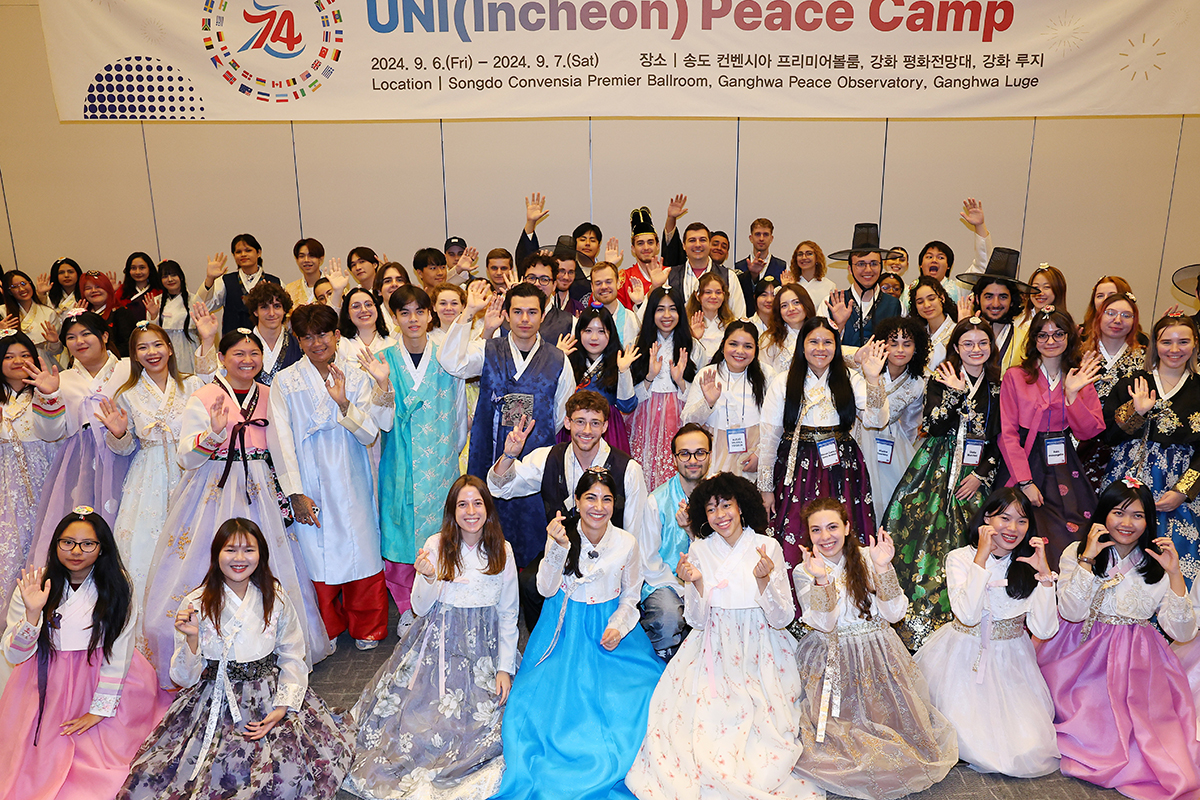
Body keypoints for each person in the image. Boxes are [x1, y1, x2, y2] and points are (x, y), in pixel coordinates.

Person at [142, 329, 329, 685]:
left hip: (259, 484)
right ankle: (203, 644)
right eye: (238, 354)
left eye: (254, 354)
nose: (247, 360)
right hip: (214, 482)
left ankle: (267, 644)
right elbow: (186, 456)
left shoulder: (270, 395)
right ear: (223, 358)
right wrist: (213, 433)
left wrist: (293, 492)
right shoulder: (204, 395)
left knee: (269, 556)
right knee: (205, 555)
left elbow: (283, 448)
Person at [119, 518, 353, 800]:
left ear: (261, 554)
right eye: (230, 550)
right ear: (216, 555)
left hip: (269, 693)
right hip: (214, 698)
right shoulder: (195, 602)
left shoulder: (274, 595)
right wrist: (192, 639)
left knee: (289, 778)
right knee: (176, 777)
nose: (239, 558)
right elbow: (183, 678)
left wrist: (282, 707)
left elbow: (292, 653)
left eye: (249, 550)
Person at [626, 473, 822, 800]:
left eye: (727, 505)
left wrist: (763, 581)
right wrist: (697, 584)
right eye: (712, 509)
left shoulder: (766, 546)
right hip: (713, 646)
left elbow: (782, 618)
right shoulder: (700, 549)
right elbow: (696, 620)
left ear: (741, 507)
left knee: (765, 718)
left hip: (761, 645)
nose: (721, 515)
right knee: (699, 719)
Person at [491, 470, 664, 800]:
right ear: (577, 501)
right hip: (565, 630)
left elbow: (630, 597)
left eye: (607, 499)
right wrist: (556, 547)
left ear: (616, 504)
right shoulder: (563, 536)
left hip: (609, 630)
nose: (598, 507)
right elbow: (545, 587)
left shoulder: (627, 543)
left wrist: (618, 625)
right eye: (591, 498)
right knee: (549, 709)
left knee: (641, 698)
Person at [343, 476, 517, 800]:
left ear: (488, 509)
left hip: (485, 651)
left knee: (493, 725)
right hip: (438, 645)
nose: (470, 511)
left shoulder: (502, 550)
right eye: (462, 504)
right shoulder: (437, 544)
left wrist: (505, 668)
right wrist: (426, 576)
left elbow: (509, 614)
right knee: (416, 725)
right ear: (452, 511)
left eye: (477, 503)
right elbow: (420, 608)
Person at [1038, 479, 1200, 800]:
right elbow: (1071, 611)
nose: (1127, 524)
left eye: (1138, 516)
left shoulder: (1158, 560)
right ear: (1103, 514)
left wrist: (1175, 575)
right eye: (1118, 513)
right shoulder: (1079, 550)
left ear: (1149, 520)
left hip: (1137, 659)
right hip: (1080, 651)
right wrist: (1087, 558)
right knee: (1090, 721)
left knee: (1144, 735)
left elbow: (1183, 633)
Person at [792, 498, 958, 800]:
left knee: (901, 733)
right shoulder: (806, 570)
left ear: (847, 527)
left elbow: (894, 614)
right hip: (833, 656)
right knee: (839, 736)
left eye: (832, 527)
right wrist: (820, 578)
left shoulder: (869, 557)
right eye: (816, 530)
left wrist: (882, 568)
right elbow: (825, 623)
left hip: (879, 653)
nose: (825, 536)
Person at [0, 509, 168, 799]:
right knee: (33, 769)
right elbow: (14, 656)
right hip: (46, 684)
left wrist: (99, 709)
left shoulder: (118, 586)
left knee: (108, 766)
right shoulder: (34, 585)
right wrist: (32, 614)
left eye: (88, 544)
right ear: (55, 545)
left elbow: (120, 648)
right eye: (67, 542)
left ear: (102, 548)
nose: (76, 551)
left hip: (103, 677)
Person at [914, 488, 1060, 778]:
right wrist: (980, 559)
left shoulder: (1029, 562)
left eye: (1021, 521)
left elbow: (1045, 629)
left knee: (1029, 751)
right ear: (986, 519)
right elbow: (967, 615)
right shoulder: (959, 557)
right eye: (1004, 518)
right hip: (962, 658)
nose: (1012, 528)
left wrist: (1044, 577)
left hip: (1012, 661)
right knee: (966, 742)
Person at [271, 304, 393, 651]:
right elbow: (280, 440)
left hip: (352, 473)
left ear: (337, 335)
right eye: (307, 336)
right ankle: (327, 628)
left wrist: (343, 405)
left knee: (361, 547)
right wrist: (294, 491)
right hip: (309, 477)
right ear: (297, 339)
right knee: (316, 552)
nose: (316, 343)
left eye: (323, 334)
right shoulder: (286, 381)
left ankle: (367, 625)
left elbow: (370, 433)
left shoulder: (356, 376)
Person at [882, 318, 1003, 649]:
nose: (975, 350)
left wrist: (980, 476)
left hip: (975, 472)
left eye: (982, 343)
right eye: (968, 344)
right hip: (937, 465)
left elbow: (1000, 437)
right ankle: (917, 618)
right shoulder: (941, 378)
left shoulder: (998, 385)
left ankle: (971, 614)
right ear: (956, 347)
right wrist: (954, 393)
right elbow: (933, 427)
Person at [488, 390, 654, 629]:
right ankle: (546, 639)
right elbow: (500, 488)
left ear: (605, 426)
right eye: (580, 421)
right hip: (562, 549)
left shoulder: (628, 469)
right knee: (528, 583)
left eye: (595, 423)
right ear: (567, 422)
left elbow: (634, 529)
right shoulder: (548, 457)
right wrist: (508, 455)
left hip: (607, 554)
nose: (587, 430)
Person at [441, 280, 574, 570]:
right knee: (486, 533)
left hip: (535, 462)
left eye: (532, 312)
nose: (524, 319)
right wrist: (468, 313)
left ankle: (531, 600)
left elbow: (561, 413)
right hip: (489, 457)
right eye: (517, 312)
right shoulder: (488, 350)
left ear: (542, 314)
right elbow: (451, 361)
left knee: (534, 535)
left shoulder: (558, 359)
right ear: (507, 315)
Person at [756, 318, 888, 591]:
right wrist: (766, 487)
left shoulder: (851, 378)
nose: (820, 348)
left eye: (828, 342)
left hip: (843, 466)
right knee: (796, 531)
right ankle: (798, 606)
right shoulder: (783, 382)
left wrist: (873, 379)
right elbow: (769, 438)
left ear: (837, 347)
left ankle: (851, 601)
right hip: (797, 466)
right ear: (801, 347)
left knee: (844, 530)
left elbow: (876, 419)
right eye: (813, 341)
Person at [101, 321, 215, 605]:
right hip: (147, 475)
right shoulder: (126, 394)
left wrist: (209, 339)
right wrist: (119, 433)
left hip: (191, 468)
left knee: (196, 539)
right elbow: (125, 449)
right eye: (142, 347)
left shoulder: (191, 384)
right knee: (146, 545)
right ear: (134, 355)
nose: (151, 352)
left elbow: (215, 393)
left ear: (170, 348)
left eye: (157, 344)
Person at [375, 286, 469, 620]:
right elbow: (381, 422)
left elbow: (459, 414)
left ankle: (442, 599)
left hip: (441, 461)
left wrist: (450, 453)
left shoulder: (446, 355)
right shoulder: (383, 359)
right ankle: (406, 610)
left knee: (443, 534)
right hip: (399, 460)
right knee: (400, 536)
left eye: (419, 311)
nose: (413, 319)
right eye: (404, 312)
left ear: (430, 315)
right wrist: (383, 386)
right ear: (395, 317)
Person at [23, 311, 133, 566]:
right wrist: (48, 396)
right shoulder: (62, 378)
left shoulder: (129, 368)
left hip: (126, 453)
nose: (79, 341)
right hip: (80, 461)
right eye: (71, 337)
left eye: (86, 334)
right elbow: (49, 433)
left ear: (104, 336)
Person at [998, 306, 1104, 569]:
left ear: (1069, 337)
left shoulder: (1079, 377)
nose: (1051, 341)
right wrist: (1024, 481)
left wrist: (1071, 395)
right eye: (1043, 335)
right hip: (1025, 457)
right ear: (1034, 340)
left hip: (1063, 462)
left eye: (1058, 334)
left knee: (1071, 530)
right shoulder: (1015, 376)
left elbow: (1089, 431)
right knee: (1018, 527)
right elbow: (1007, 433)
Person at [1104, 313, 1200, 583]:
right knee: (1119, 553)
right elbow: (1109, 436)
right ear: (1154, 344)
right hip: (1130, 480)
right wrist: (1137, 413)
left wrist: (1183, 490)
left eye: (1183, 342)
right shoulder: (1133, 382)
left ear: (1195, 344)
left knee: (1176, 554)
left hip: (1180, 485)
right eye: (1165, 341)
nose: (1174, 350)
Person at [638, 423, 710, 662]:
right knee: (669, 616)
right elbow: (649, 561)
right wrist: (681, 588)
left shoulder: (720, 500)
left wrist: (691, 531)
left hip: (712, 579)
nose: (693, 460)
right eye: (684, 453)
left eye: (700, 452)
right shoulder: (656, 501)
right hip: (666, 582)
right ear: (674, 458)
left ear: (710, 455)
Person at [0, 332, 58, 625]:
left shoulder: (46, 391)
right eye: (8, 356)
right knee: (8, 559)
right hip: (6, 493)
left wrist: (49, 395)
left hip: (47, 484)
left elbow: (56, 432)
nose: (17, 361)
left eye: (24, 354)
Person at [853, 316, 929, 525]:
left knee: (888, 497)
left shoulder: (917, 383)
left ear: (917, 348)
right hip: (858, 433)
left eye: (907, 344)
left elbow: (912, 424)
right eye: (893, 343)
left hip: (891, 441)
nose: (900, 350)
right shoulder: (866, 367)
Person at [682, 320, 772, 482]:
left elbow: (776, 422)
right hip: (716, 457)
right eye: (733, 344)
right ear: (723, 345)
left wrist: (760, 454)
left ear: (756, 350)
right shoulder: (707, 374)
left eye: (748, 346)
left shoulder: (767, 374)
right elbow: (687, 422)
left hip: (753, 457)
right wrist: (708, 403)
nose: (740, 351)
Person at [630, 285, 697, 491]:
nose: (667, 315)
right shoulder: (637, 346)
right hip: (644, 417)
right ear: (651, 313)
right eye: (660, 309)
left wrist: (680, 382)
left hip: (680, 417)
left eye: (673, 309)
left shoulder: (693, 346)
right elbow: (629, 399)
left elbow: (699, 399)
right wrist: (649, 377)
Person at [1078, 291, 1145, 491]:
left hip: (1123, 447)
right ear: (1099, 316)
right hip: (1080, 445)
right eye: (1111, 313)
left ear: (1134, 322)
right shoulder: (1078, 353)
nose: (1118, 320)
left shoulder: (1144, 360)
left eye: (1126, 315)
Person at [560, 306, 638, 453]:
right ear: (579, 333)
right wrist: (558, 360)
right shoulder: (568, 360)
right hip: (574, 428)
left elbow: (627, 406)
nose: (594, 338)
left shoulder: (620, 362)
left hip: (608, 430)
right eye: (588, 331)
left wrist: (624, 371)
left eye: (601, 331)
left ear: (611, 333)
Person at [903, 197, 992, 309]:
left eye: (940, 257)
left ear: (948, 266)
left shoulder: (959, 289)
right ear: (920, 264)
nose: (934, 260)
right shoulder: (907, 291)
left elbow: (982, 265)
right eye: (929, 256)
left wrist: (979, 226)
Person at [826, 223, 903, 348]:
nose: (868, 270)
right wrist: (839, 326)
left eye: (874, 263)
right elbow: (820, 347)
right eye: (861, 264)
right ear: (850, 269)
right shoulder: (831, 303)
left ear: (881, 267)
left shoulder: (895, 305)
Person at [956, 247, 1031, 372]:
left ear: (1012, 301)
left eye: (1003, 297)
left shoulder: (1025, 340)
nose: (995, 304)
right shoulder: (959, 333)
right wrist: (963, 331)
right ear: (978, 299)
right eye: (989, 296)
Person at [196, 234, 282, 334]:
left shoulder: (275, 282)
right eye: (238, 252)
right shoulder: (226, 281)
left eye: (248, 250)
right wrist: (210, 279)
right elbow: (202, 307)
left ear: (258, 253)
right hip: (233, 341)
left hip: (266, 340)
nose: (243, 254)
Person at [663, 221, 748, 319]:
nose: (698, 245)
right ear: (684, 246)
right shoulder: (669, 275)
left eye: (702, 240)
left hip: (721, 333)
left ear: (710, 244)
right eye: (692, 240)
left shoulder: (729, 277)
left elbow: (739, 317)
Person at [243, 281, 301, 386]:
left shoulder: (298, 346)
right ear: (255, 311)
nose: (271, 313)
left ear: (285, 310)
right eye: (264, 307)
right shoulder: (241, 345)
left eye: (277, 306)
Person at [2, 270, 58, 369]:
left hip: (43, 363)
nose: (21, 289)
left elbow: (57, 351)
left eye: (24, 283)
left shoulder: (48, 312)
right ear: (9, 292)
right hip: (14, 365)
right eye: (14, 287)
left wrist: (54, 342)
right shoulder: (2, 312)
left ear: (30, 284)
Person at [759, 282, 816, 375]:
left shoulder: (818, 334)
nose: (791, 309)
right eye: (784, 305)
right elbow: (764, 373)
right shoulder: (769, 339)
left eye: (796, 302)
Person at [908, 275, 960, 375]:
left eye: (931, 299)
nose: (927, 305)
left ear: (942, 298)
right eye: (920, 302)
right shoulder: (916, 335)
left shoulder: (956, 331)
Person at [156, 259, 199, 374]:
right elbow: (153, 331)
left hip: (188, 344)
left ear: (181, 277)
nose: (170, 279)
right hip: (166, 345)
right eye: (165, 276)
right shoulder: (156, 301)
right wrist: (154, 314)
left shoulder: (194, 299)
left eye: (174, 275)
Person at [732, 217, 787, 302]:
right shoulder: (738, 267)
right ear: (751, 238)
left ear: (771, 238)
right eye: (757, 234)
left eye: (765, 234)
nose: (761, 238)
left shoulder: (782, 266)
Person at [686, 272, 734, 366]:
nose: (713, 297)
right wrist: (694, 338)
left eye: (718, 292)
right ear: (697, 296)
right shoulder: (686, 323)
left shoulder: (732, 325)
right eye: (708, 292)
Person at [588, 261, 640, 347]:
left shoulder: (634, 320)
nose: (604, 287)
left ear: (618, 283)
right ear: (592, 287)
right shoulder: (585, 321)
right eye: (598, 283)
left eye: (608, 282)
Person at [337, 286, 395, 361]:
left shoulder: (392, 345)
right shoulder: (341, 345)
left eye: (368, 304)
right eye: (356, 306)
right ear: (347, 314)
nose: (364, 310)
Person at [786, 240, 836, 317]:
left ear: (817, 258)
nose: (804, 257)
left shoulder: (829, 286)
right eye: (800, 254)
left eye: (809, 254)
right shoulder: (791, 284)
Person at [1081, 275, 1136, 343]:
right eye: (1100, 296)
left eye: (1112, 295)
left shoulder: (1140, 340)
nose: (1105, 300)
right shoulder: (1080, 334)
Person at [284, 237, 326, 306]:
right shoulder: (290, 289)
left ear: (321, 259)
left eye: (311, 256)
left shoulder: (334, 286)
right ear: (297, 260)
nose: (306, 260)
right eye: (302, 256)